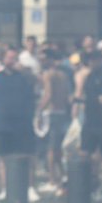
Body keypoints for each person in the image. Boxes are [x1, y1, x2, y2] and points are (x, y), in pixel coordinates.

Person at [0, 49, 38, 203]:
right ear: (4, 60)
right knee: (3, 157)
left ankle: (30, 188)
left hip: (22, 123)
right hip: (3, 124)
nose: (12, 61)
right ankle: (6, 188)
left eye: (14, 58)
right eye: (9, 58)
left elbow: (36, 85)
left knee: (27, 156)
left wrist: (24, 72)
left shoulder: (24, 77)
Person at [75, 51, 102, 198]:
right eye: (90, 60)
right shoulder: (89, 77)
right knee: (85, 153)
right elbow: (85, 96)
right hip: (90, 120)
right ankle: (91, 182)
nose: (92, 63)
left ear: (100, 60)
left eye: (94, 60)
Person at [38, 56, 72, 192]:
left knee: (51, 149)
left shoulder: (48, 75)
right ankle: (62, 175)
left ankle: (52, 180)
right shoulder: (63, 75)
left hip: (51, 113)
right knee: (58, 148)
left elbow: (48, 94)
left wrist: (39, 110)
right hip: (62, 112)